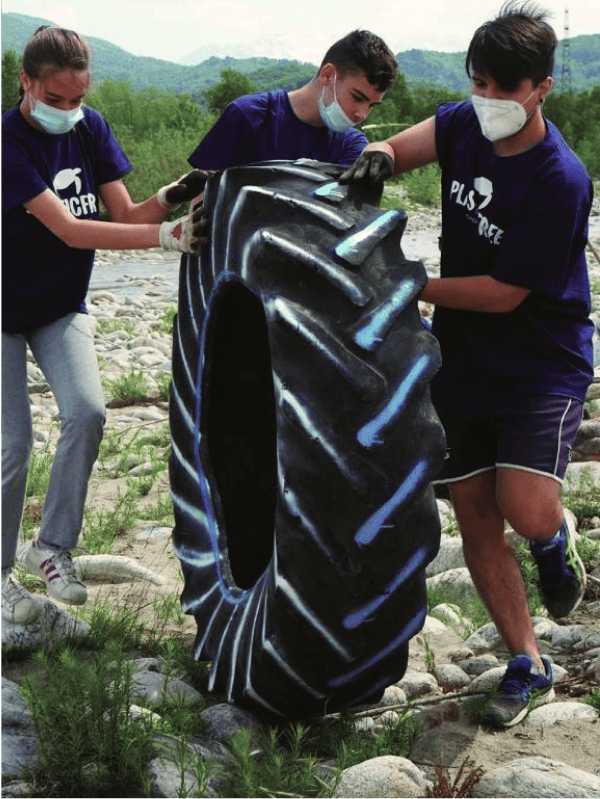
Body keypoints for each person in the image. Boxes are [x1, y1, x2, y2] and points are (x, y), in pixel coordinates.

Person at [340, 1, 592, 728]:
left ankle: (553, 538)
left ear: (541, 87)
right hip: (461, 355)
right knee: (477, 513)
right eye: (478, 83)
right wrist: (379, 156)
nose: (487, 102)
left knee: (523, 505)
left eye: (503, 90)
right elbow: (410, 141)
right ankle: (527, 661)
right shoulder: (464, 121)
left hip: (540, 357)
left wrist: (407, 284)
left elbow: (505, 293)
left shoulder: (560, 178)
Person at [1, 25, 210, 625]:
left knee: (88, 412)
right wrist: (165, 238)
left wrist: (173, 196)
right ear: (27, 81)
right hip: (1, 309)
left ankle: (52, 547)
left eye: (77, 98)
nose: (68, 110)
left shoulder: (89, 128)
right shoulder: (7, 142)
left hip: (58, 305)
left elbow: (124, 215)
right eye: (56, 99)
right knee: (13, 444)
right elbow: (70, 229)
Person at [187, 29, 398, 173]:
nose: (362, 114)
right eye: (357, 97)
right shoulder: (248, 117)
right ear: (327, 75)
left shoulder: (351, 146)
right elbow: (204, 199)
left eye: (371, 105)